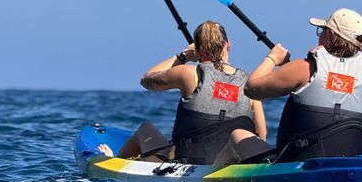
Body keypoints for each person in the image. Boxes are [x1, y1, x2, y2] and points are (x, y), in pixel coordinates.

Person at [214, 8, 362, 164]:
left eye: (322, 31)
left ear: (331, 37)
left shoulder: (306, 68)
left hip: (293, 168)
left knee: (237, 135)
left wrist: (273, 58)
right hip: (348, 172)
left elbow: (251, 88)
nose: (320, 36)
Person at [97, 21, 266, 164]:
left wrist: (183, 56)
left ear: (198, 50)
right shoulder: (249, 83)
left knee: (145, 129)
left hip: (187, 162)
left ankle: (113, 164)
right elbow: (261, 135)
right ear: (228, 44)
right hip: (231, 163)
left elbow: (146, 80)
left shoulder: (188, 73)